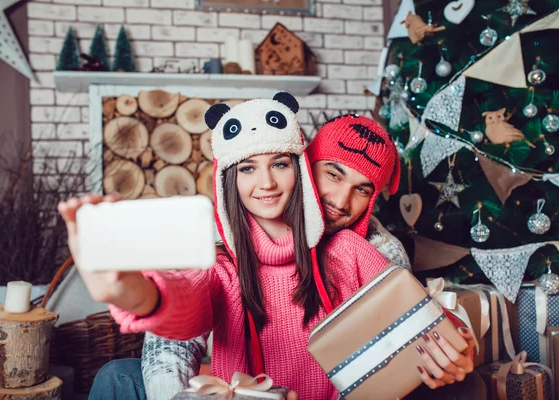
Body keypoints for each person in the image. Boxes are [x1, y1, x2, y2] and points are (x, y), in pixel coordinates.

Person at [61, 93, 398, 400]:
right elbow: (182, 299)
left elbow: (408, 316)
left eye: (279, 164)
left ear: (297, 169)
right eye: (248, 168)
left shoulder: (357, 249)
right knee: (116, 376)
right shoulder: (222, 261)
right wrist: (125, 288)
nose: (266, 183)